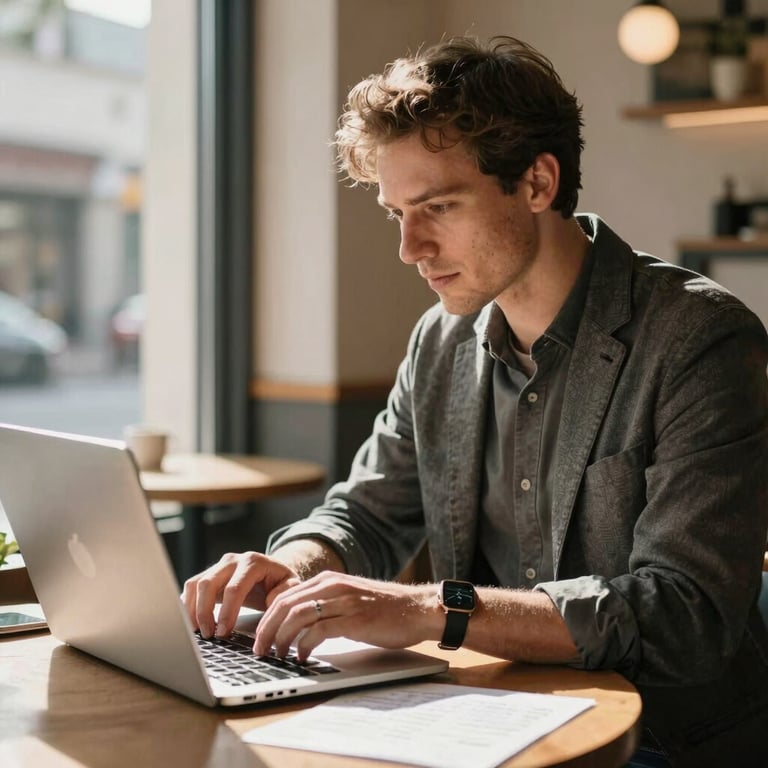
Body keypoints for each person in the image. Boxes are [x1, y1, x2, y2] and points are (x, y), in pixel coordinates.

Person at [183, 36, 768, 766]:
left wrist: (427, 609)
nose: (410, 248)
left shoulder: (699, 338)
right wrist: (296, 565)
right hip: (487, 714)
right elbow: (367, 510)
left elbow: (684, 615)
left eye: (436, 206)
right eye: (396, 212)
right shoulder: (441, 341)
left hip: (660, 739)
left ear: (537, 183)